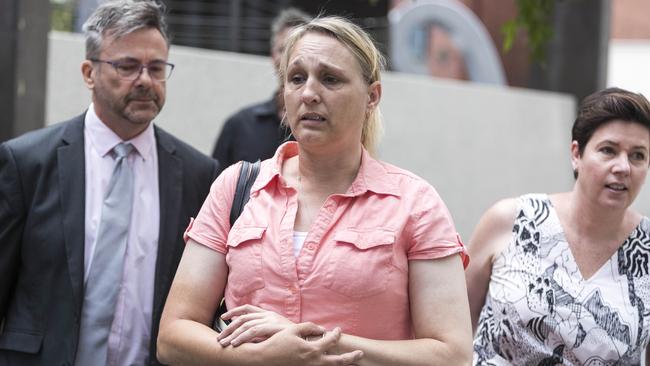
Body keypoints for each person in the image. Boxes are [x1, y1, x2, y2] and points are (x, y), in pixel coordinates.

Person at [157, 16, 473, 365]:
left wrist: (315, 343)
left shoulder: (415, 203)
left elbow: (452, 356)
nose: (309, 93)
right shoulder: (237, 187)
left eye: (330, 79)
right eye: (296, 78)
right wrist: (261, 357)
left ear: (372, 96)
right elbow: (173, 336)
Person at [0, 1, 219, 365]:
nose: (146, 80)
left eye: (157, 67)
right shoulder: (27, 162)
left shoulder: (198, 174)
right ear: (89, 73)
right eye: (128, 66)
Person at [466, 87, 650, 365]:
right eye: (608, 150)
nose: (623, 166)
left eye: (638, 155)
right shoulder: (511, 220)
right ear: (577, 154)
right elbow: (453, 331)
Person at [211, 7, 310, 173]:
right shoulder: (239, 125)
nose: (290, 58)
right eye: (282, 49)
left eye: (298, 50)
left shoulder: (324, 128)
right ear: (272, 56)